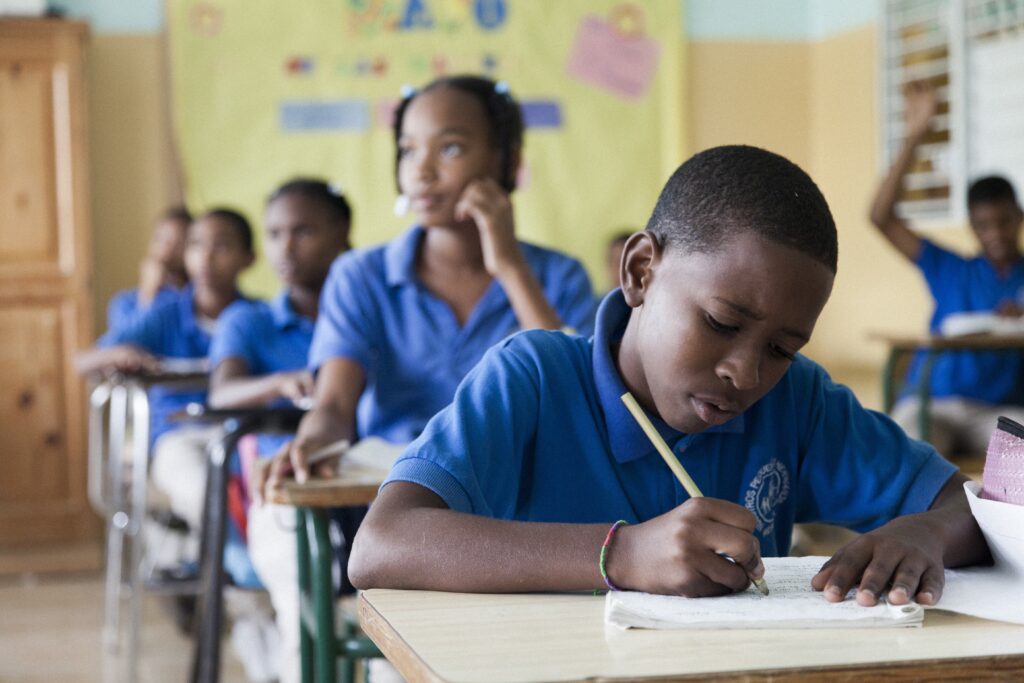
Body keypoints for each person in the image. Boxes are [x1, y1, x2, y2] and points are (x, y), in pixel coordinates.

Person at [348, 145, 990, 608]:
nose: (745, 371)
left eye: (783, 347)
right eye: (719, 321)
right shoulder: (534, 379)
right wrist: (620, 556)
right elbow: (381, 545)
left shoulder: (797, 403)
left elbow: (971, 508)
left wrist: (923, 532)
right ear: (640, 271)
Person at [252, 75, 595, 683]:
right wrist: (312, 439)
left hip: (521, 524)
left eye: (451, 148)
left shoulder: (556, 277)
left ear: (506, 160)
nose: (423, 170)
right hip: (403, 517)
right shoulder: (361, 276)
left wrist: (508, 264)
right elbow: (335, 403)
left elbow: (581, 400)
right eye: (409, 150)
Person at [206, 180, 351, 683]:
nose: (285, 248)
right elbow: (221, 392)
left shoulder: (363, 312)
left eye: (303, 231)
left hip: (365, 477)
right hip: (280, 481)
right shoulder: (251, 319)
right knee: (305, 594)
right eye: (274, 234)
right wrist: (277, 382)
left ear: (342, 233)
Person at [869, 81, 1024, 456]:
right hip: (932, 405)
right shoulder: (949, 268)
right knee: (905, 458)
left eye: (1004, 221)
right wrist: (915, 135)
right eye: (984, 225)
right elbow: (881, 217)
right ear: (972, 227)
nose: (996, 234)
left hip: (995, 413)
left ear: (1020, 217)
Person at [76, 208, 256, 526]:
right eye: (196, 245)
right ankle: (230, 564)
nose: (207, 257)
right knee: (204, 491)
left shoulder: (254, 316)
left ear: (248, 258)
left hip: (243, 434)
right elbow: (83, 360)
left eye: (222, 246)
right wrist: (121, 353)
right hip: (176, 436)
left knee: (262, 487)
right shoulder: (165, 314)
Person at [106, 206, 192, 334]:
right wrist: (148, 292)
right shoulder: (124, 303)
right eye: (159, 239)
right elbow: (124, 341)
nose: (166, 249)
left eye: (179, 242)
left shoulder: (197, 299)